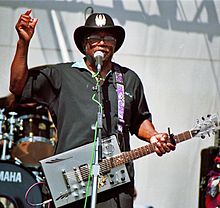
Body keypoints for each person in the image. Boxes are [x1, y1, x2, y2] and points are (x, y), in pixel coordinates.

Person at [9, 9, 176, 208]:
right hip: (71, 180)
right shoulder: (62, 74)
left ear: (115, 45)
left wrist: (153, 136)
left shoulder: (128, 79)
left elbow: (139, 120)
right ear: (84, 44)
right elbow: (17, 86)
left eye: (109, 38)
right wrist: (23, 43)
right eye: (94, 37)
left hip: (116, 183)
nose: (102, 42)